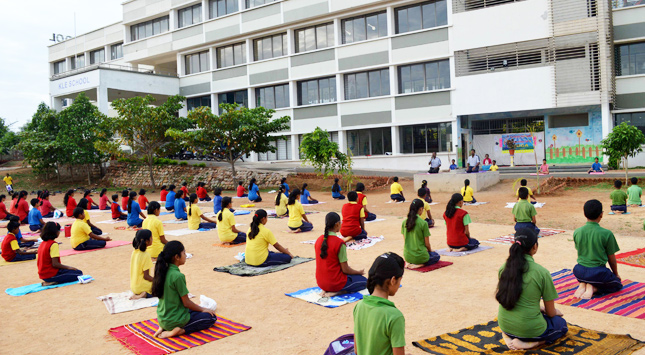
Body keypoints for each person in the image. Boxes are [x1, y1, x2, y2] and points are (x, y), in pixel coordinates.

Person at [496, 228, 567, 350]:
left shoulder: (504, 268)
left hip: (504, 324)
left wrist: (540, 309)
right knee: (561, 325)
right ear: (535, 247)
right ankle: (535, 342)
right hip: (529, 329)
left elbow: (514, 297)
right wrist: (555, 312)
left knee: (532, 317)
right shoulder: (541, 273)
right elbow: (551, 313)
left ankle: (507, 335)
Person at [152, 241, 217, 339]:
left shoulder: (162, 271)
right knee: (211, 317)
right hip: (175, 320)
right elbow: (186, 303)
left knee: (197, 311)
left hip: (163, 318)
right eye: (183, 253)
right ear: (176, 257)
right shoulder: (178, 276)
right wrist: (203, 309)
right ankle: (179, 330)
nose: (185, 255)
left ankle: (164, 327)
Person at [353, 252, 406, 355]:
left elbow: (356, 350)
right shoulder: (394, 316)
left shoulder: (359, 306)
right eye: (400, 280)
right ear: (393, 280)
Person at [572, 199, 623, 299]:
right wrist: (616, 274)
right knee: (617, 284)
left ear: (584, 214)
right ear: (601, 214)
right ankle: (594, 288)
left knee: (588, 275)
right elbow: (611, 259)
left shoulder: (577, 232)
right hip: (597, 273)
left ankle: (583, 283)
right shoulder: (606, 233)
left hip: (579, 271)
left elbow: (580, 251)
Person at [316, 212, 367, 297]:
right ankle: (340, 291)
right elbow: (345, 270)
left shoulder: (318, 240)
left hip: (321, 282)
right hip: (335, 283)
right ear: (337, 224)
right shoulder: (339, 243)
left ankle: (330, 289)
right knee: (364, 281)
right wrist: (358, 272)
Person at [402, 199, 440, 269]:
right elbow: (427, 244)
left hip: (407, 256)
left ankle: (411, 262)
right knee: (436, 256)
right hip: (420, 257)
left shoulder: (404, 222)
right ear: (420, 209)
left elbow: (405, 241)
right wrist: (430, 250)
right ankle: (421, 264)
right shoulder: (423, 223)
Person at [130, 229, 154, 299]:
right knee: (164, 287)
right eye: (151, 238)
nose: (152, 239)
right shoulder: (145, 255)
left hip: (134, 287)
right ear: (146, 241)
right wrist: (157, 280)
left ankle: (141, 294)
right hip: (142, 287)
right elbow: (146, 276)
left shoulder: (134, 252)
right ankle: (145, 294)